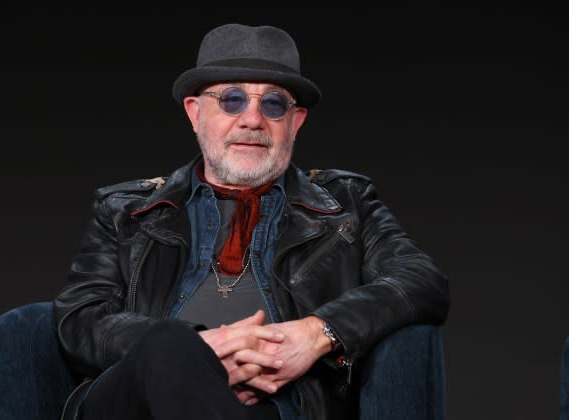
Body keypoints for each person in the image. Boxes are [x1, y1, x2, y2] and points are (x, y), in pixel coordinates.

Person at [53, 23, 450, 420]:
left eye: (274, 104)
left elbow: (421, 279)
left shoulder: (346, 202)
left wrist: (318, 332)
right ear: (195, 113)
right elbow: (80, 318)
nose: (253, 120)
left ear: (294, 123)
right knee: (166, 343)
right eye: (232, 100)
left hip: (277, 407)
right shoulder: (127, 210)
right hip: (136, 406)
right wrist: (197, 354)